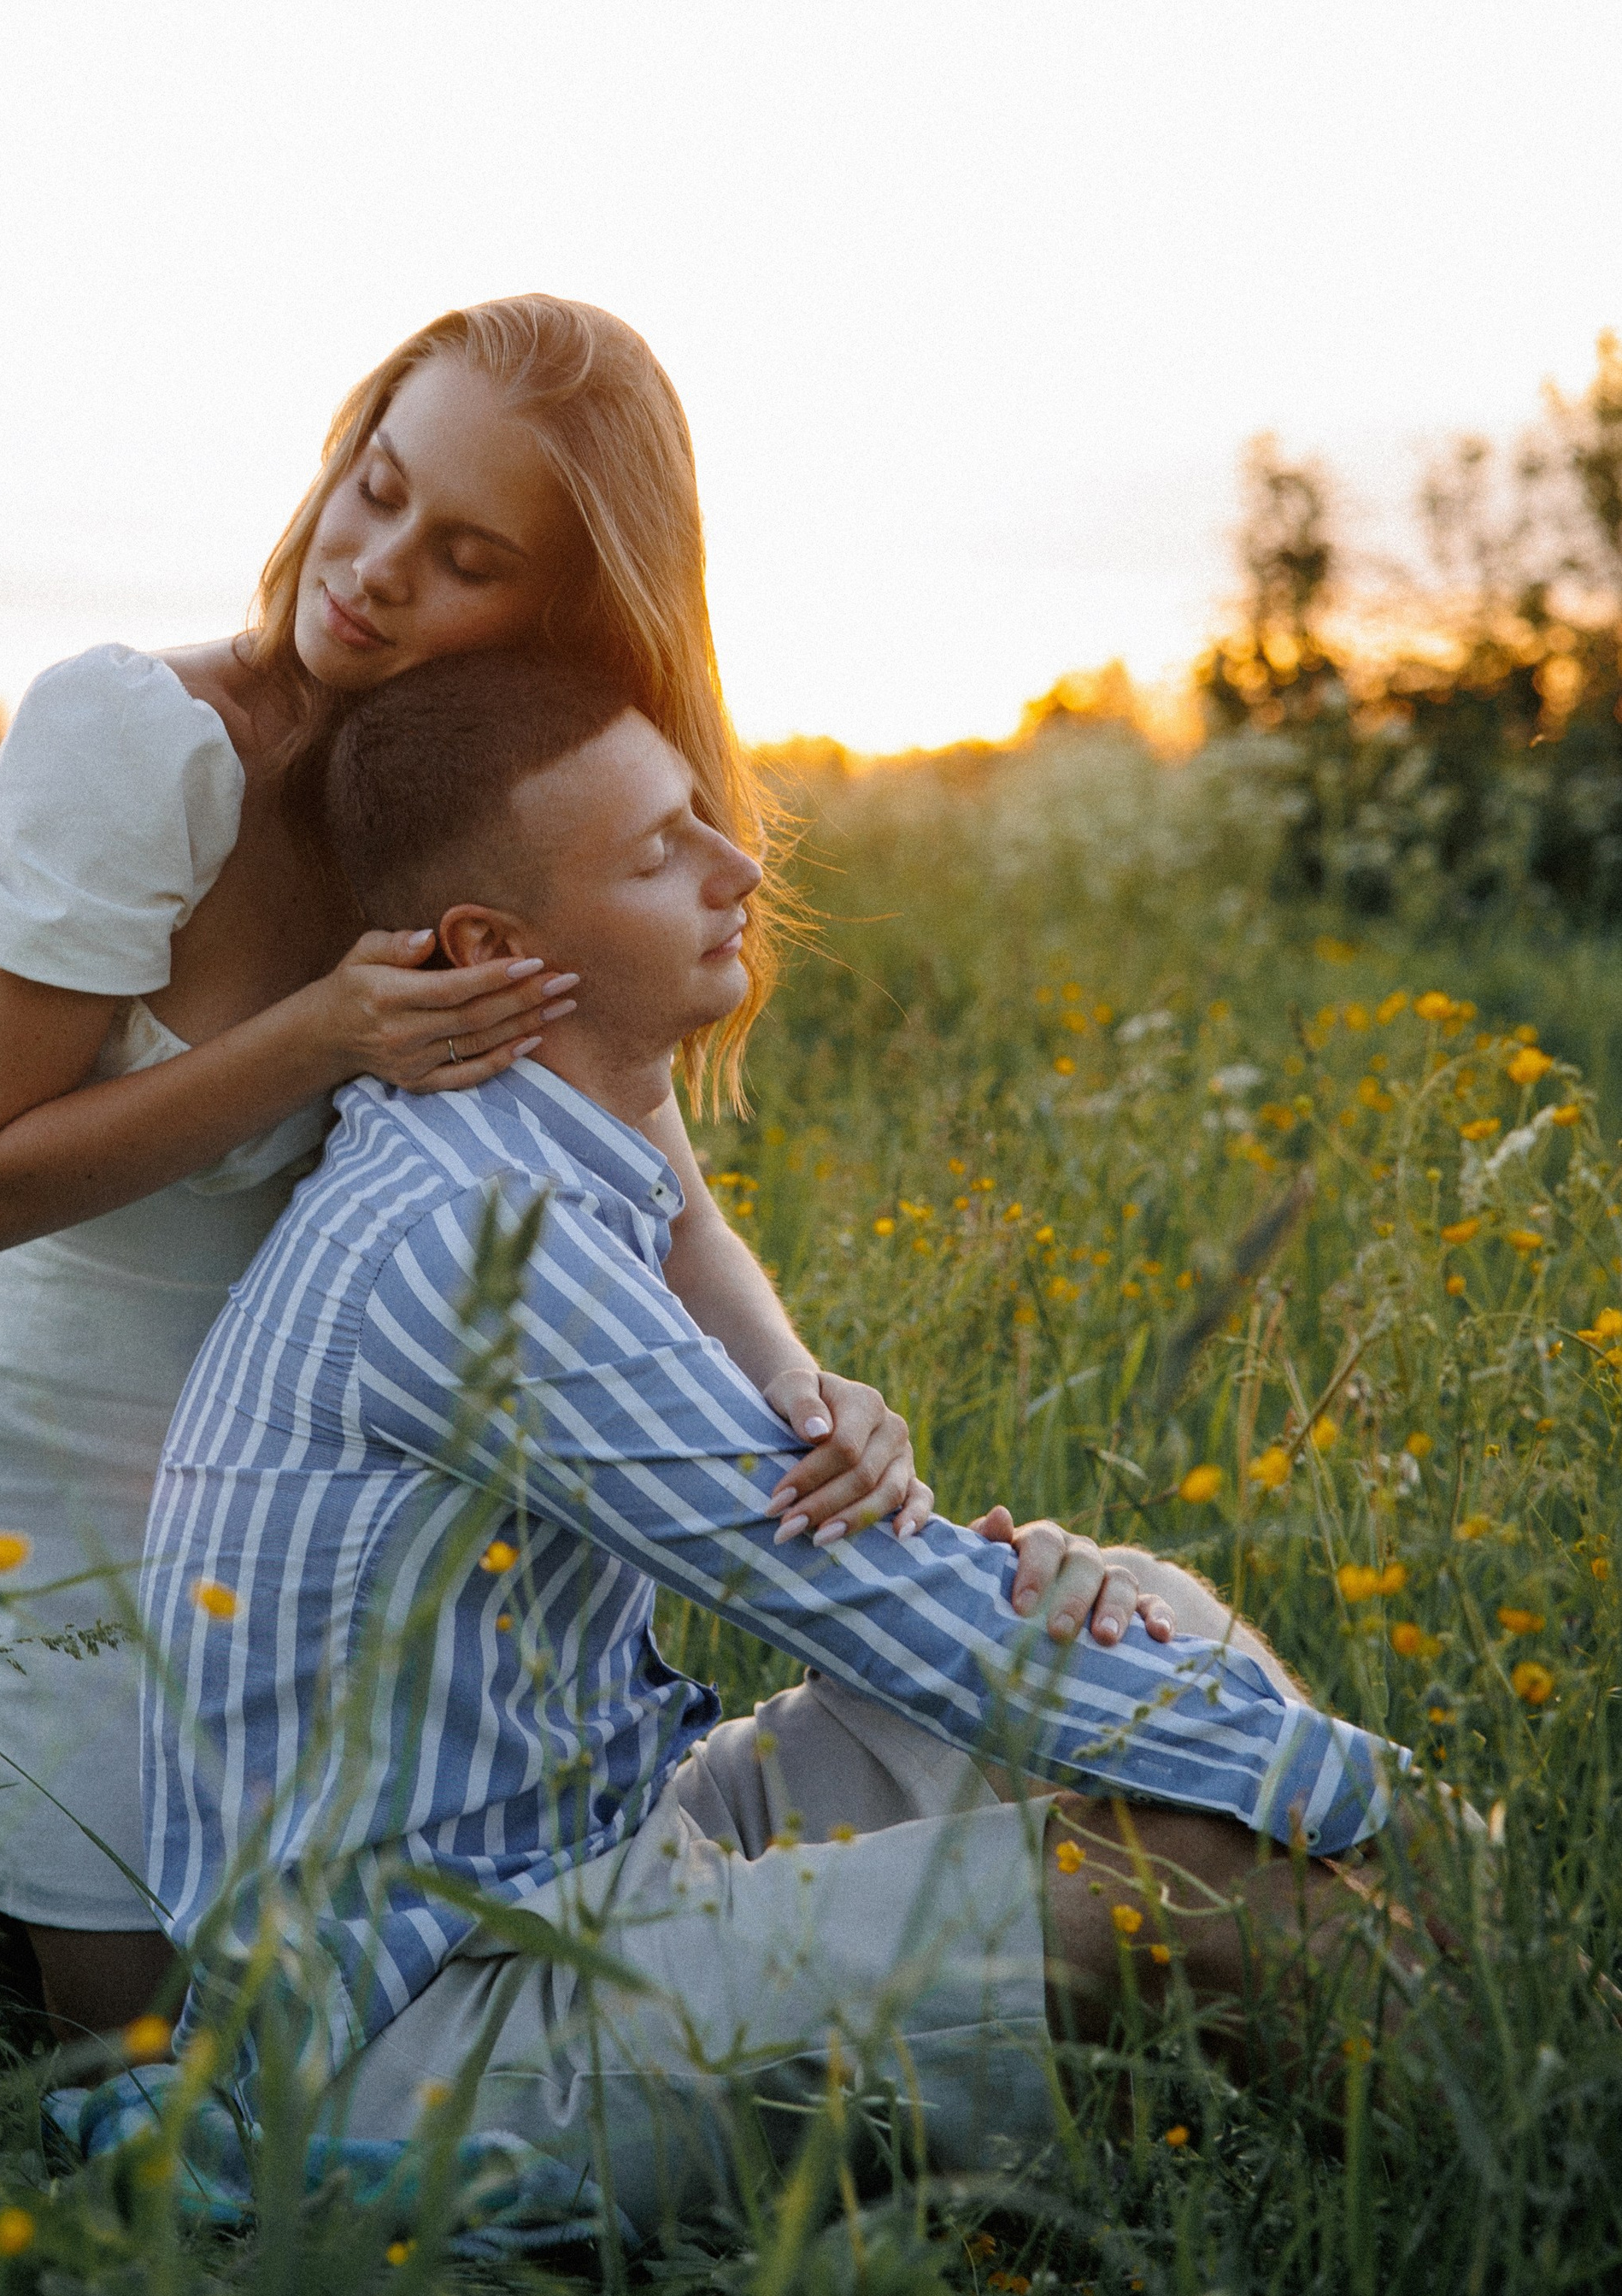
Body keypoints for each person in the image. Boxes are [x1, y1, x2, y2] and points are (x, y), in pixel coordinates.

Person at [0, 296, 1155, 2040]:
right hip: (67, 1500)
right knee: (168, 2074)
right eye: (375, 485)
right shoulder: (136, 741)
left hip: (335, 1530)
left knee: (381, 2004)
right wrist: (321, 1035)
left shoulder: (484, 818)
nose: (375, 564)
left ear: (554, 613)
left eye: (464, 555)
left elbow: (664, 1192)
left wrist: (808, 1407)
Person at [137, 653, 1415, 2215]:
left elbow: (875, 1565)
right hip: (436, 2028)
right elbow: (859, 1604)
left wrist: (1054, 1616)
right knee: (1176, 1875)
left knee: (1130, 1608)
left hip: (627, 1837)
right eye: (660, 850)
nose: (739, 867)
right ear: (492, 948)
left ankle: (1450, 2024)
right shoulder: (475, 1246)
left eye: (703, 820)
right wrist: (1364, 1796)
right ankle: (1542, 2156)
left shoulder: (540, 1180)